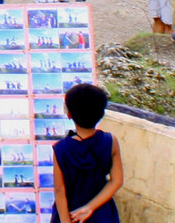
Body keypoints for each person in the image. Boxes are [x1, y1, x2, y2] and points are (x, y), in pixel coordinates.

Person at [51, 83, 122, 223]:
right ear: (101, 114)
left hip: (70, 213)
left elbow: (60, 191)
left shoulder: (61, 149)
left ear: (69, 114)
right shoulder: (110, 141)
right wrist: (90, 207)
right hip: (102, 213)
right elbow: (116, 181)